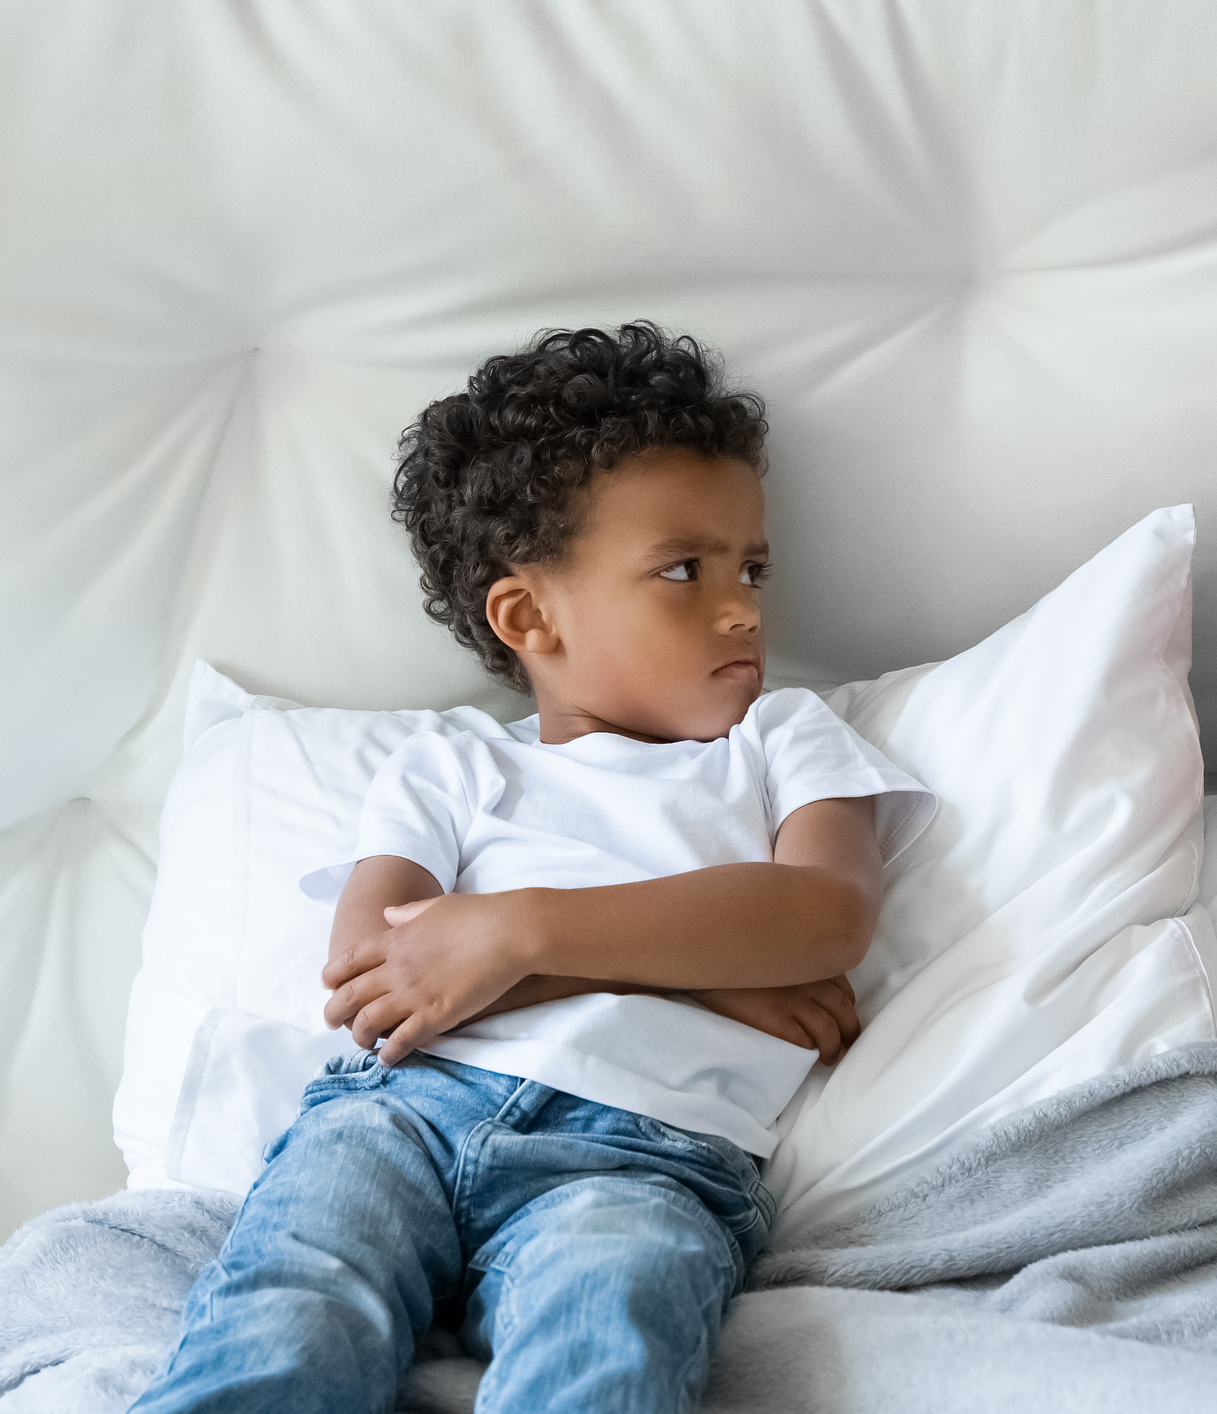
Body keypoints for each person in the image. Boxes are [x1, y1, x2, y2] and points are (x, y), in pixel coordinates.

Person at [132, 323, 934, 1414]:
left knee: (608, 1343)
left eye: (752, 565)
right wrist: (716, 977)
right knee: (290, 1317)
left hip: (641, 1163)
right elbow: (376, 969)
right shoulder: (450, 765)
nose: (743, 604)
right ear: (528, 615)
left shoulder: (782, 740)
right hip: (401, 1113)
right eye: (684, 570)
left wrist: (514, 935)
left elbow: (823, 913)